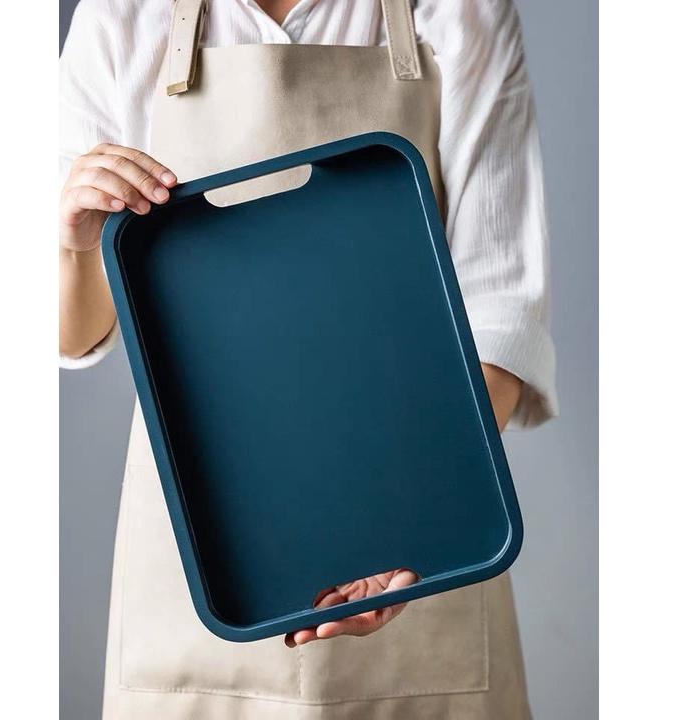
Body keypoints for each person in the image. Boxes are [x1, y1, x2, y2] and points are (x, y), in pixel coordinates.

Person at [60, 1, 558, 718]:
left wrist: (411, 518)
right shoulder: (124, 13)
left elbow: (502, 312)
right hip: (206, 531)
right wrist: (76, 244)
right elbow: (72, 334)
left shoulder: (459, 10)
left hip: (422, 525)